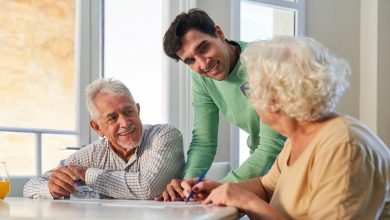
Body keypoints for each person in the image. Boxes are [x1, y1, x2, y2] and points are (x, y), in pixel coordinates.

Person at [181, 36, 390, 219]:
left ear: (277, 98)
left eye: (250, 90)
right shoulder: (297, 138)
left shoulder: (343, 147)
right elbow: (266, 187)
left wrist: (248, 202)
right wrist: (221, 189)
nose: (251, 100)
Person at [156, 8, 286, 201]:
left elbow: (272, 146)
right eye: (190, 60)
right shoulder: (201, 78)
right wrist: (188, 187)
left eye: (203, 48)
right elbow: (204, 141)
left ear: (219, 33)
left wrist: (219, 189)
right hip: (263, 174)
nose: (203, 64)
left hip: (294, 163)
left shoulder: (262, 60)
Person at [23, 78, 185, 200]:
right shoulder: (92, 153)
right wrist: (51, 188)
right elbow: (30, 186)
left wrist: (88, 175)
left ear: (138, 110)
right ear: (97, 128)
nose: (125, 123)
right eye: (112, 118)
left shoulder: (164, 135)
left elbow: (150, 187)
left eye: (129, 112)